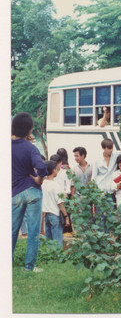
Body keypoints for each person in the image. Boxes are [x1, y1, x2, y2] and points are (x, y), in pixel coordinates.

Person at [12, 112, 48, 272]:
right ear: (28, 130)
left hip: (15, 193)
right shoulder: (31, 148)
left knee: (12, 230)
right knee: (33, 231)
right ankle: (29, 267)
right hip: (32, 191)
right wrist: (39, 180)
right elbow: (41, 167)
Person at [42, 160, 70, 246]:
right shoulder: (55, 185)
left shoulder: (43, 184)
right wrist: (66, 216)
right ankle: (58, 258)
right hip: (55, 215)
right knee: (57, 242)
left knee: (49, 241)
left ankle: (50, 258)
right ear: (54, 170)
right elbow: (60, 203)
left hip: (47, 215)